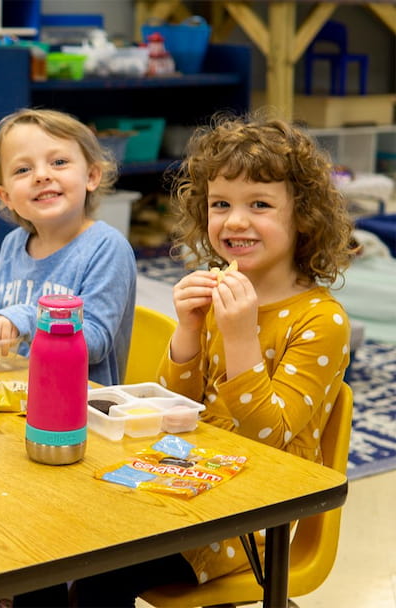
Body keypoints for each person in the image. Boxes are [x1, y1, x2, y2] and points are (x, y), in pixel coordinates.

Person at [26, 115, 359, 608]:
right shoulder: (216, 293)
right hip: (181, 481)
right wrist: (188, 329)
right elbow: (175, 411)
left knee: (97, 577)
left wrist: (240, 336)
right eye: (220, 204)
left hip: (249, 518)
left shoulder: (321, 320)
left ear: (304, 216)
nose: (235, 221)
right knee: (48, 542)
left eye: (260, 205)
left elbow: (270, 437)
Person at [0, 108, 135, 386]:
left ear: (91, 176)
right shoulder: (13, 244)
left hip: (80, 411)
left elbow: (95, 342)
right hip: (18, 393)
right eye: (23, 169)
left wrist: (23, 317)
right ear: (6, 196)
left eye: (59, 162)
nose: (41, 175)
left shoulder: (107, 248)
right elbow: (15, 326)